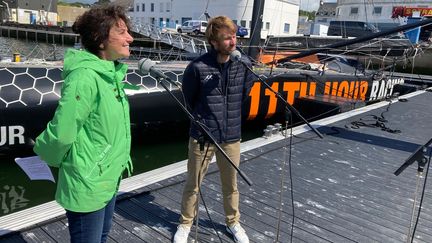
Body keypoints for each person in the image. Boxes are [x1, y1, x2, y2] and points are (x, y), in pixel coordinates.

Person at [33, 5, 134, 243]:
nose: (129, 37)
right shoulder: (85, 77)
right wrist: (47, 156)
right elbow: (61, 134)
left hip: (107, 176)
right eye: (121, 32)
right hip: (87, 180)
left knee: (102, 236)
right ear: (100, 40)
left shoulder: (110, 74)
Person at [173, 16, 254, 243]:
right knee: (193, 184)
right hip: (202, 137)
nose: (232, 42)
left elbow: (244, 95)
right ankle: (185, 223)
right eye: (227, 38)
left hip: (231, 137)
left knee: (231, 185)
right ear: (214, 42)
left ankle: (233, 222)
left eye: (234, 37)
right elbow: (190, 100)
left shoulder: (244, 65)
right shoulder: (197, 68)